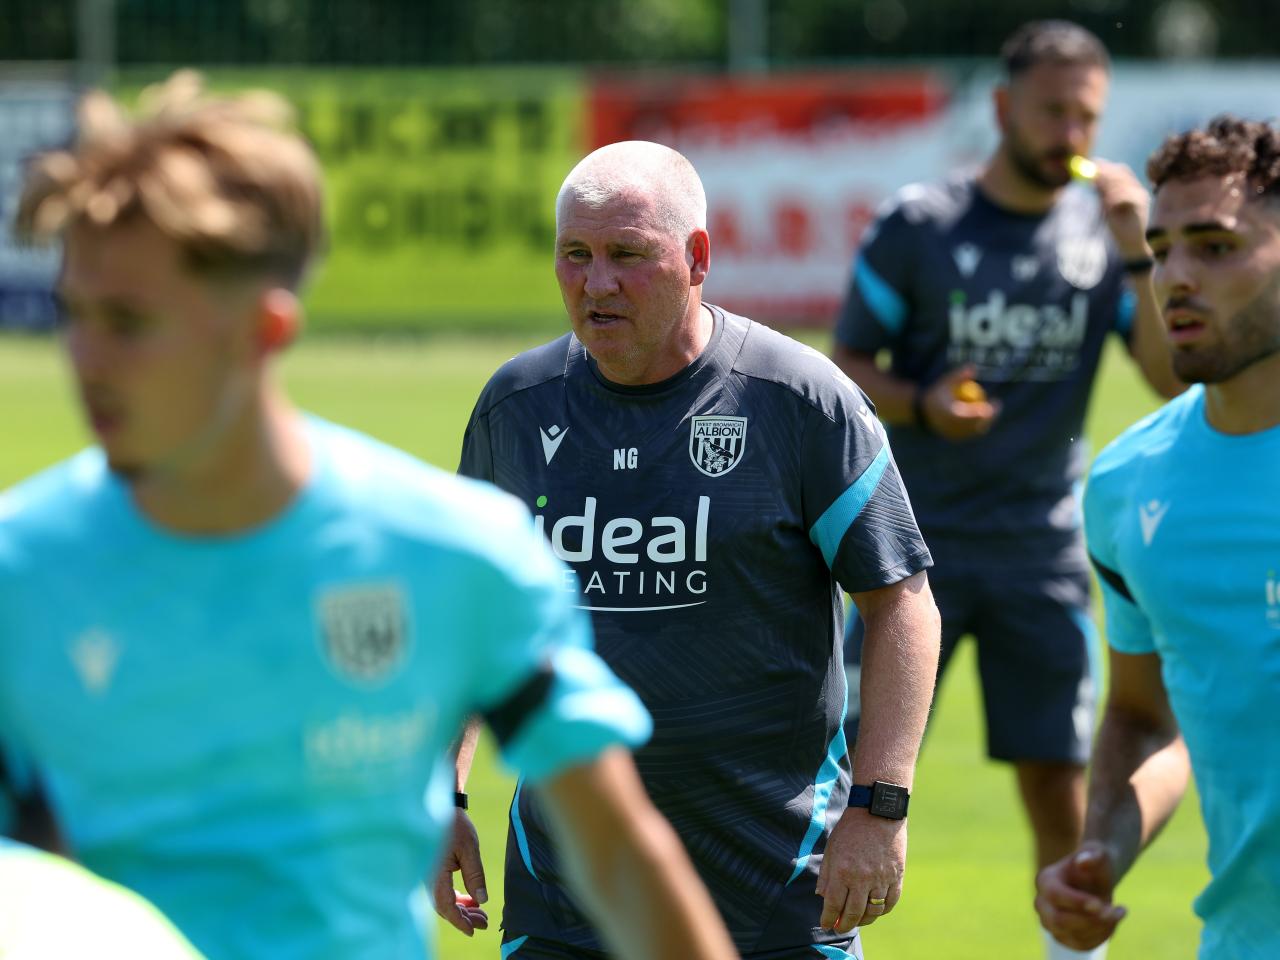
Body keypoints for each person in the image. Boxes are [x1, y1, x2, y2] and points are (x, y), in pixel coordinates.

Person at [0, 72, 739, 960]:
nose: (86, 358)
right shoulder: (24, 572)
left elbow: (619, 859)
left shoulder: (455, 556)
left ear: (262, 332)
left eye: (130, 321)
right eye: (74, 315)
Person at [447, 139, 941, 960]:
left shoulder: (799, 401)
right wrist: (446, 794)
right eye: (575, 254)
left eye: (627, 256)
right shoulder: (517, 408)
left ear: (697, 257)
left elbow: (900, 600)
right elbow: (468, 616)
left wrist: (881, 804)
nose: (595, 283)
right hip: (565, 889)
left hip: (779, 883)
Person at [831, 21, 1182, 958]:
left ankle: (1073, 951)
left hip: (1045, 545)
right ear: (1001, 109)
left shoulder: (1102, 235)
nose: (1071, 130)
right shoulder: (922, 224)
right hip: (909, 546)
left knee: (1056, 775)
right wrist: (924, 401)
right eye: (1051, 109)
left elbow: (1165, 376)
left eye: (1087, 114)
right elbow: (850, 364)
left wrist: (1139, 250)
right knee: (854, 764)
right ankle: (816, 940)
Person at [1036, 115, 1280, 960]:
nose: (1173, 276)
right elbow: (1148, 715)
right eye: (1162, 246)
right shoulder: (1130, 481)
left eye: (1215, 247)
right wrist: (1102, 846)